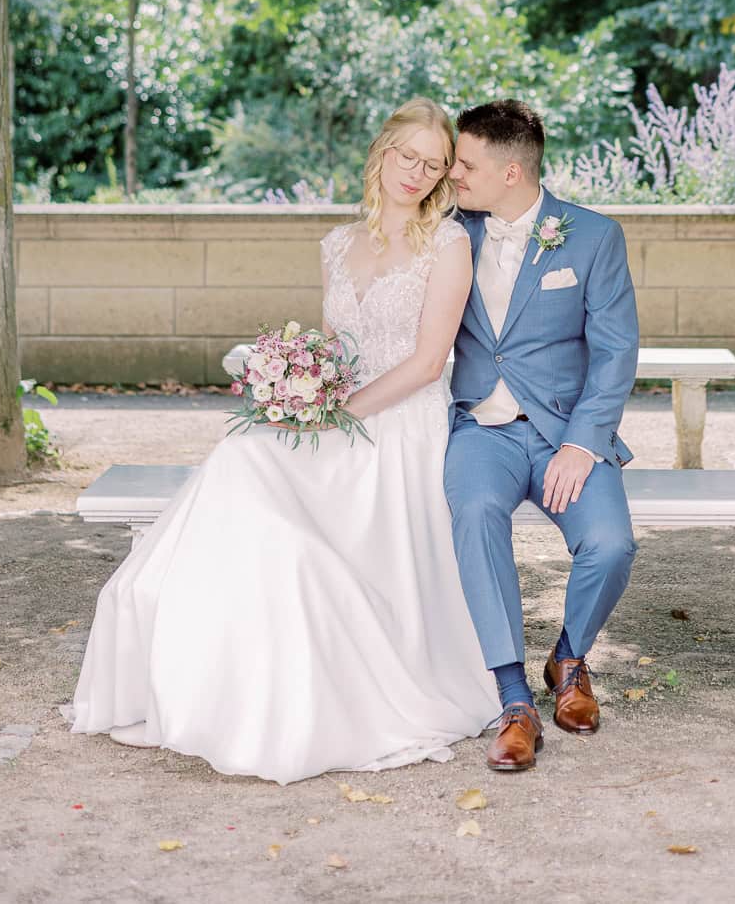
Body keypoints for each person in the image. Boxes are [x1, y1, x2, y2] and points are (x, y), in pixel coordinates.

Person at [62, 97, 498, 783]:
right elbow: (337, 345)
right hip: (338, 416)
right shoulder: (336, 243)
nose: (416, 171)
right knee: (245, 452)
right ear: (383, 151)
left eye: (433, 164)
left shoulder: (448, 244)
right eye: (407, 154)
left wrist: (338, 411)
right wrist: (299, 387)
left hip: (400, 428)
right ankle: (202, 654)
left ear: (444, 176)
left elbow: (426, 360)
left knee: (271, 497)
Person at [444, 99, 640, 773]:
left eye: (465, 162)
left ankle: (569, 656)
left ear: (511, 170)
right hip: (482, 431)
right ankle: (514, 699)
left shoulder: (592, 235)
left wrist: (583, 442)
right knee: (473, 514)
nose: (453, 172)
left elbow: (615, 351)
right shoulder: (447, 231)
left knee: (611, 543)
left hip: (566, 431)